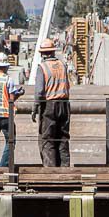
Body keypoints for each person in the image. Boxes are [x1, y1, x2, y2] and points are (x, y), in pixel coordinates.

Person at [31, 38, 71, 167]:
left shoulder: (42, 67)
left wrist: (35, 108)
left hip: (49, 105)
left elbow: (39, 91)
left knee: (47, 139)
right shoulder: (62, 65)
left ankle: (50, 171)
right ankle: (65, 170)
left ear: (42, 53)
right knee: (63, 138)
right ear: (53, 52)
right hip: (64, 104)